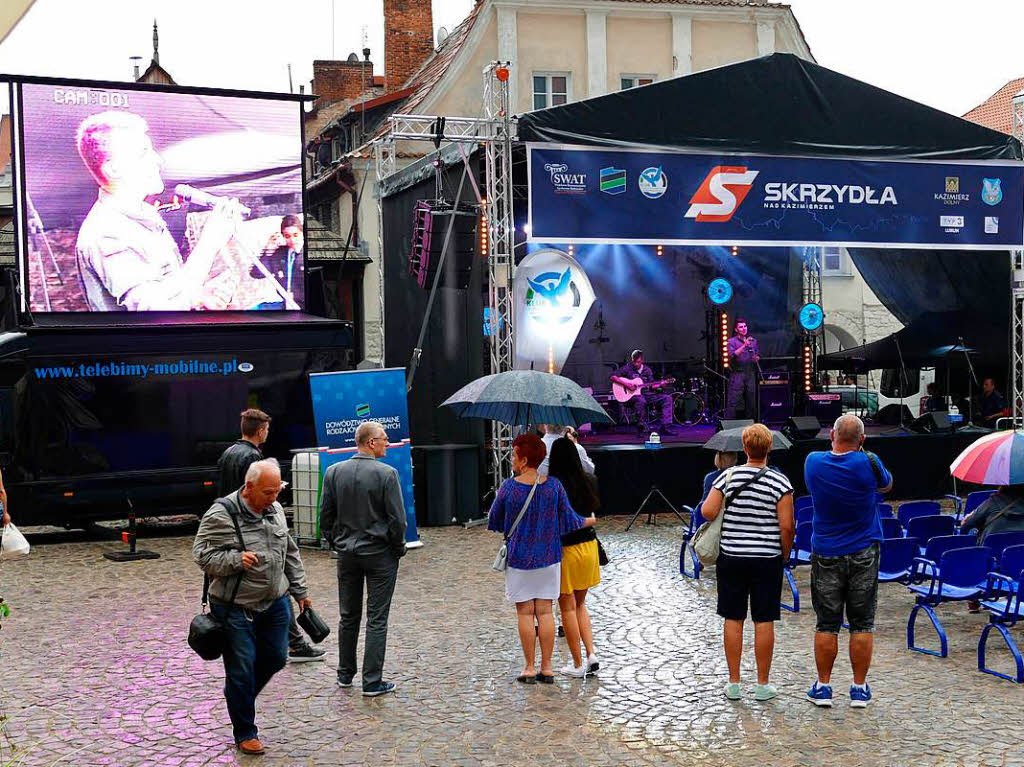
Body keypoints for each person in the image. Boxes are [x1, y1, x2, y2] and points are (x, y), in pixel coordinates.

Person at [193, 458, 311, 756]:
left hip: (274, 602)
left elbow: (290, 552)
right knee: (242, 669)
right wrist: (235, 560)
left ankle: (238, 695)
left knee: (275, 658)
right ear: (249, 487)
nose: (275, 498)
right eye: (268, 492)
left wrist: (300, 591)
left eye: (277, 491)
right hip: (235, 607)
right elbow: (202, 555)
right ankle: (245, 731)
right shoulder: (222, 514)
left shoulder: (275, 511)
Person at [74, 110, 244, 311]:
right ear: (114, 169)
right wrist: (209, 243)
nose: (157, 160)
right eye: (143, 152)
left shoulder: (144, 215)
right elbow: (159, 312)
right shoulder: (106, 234)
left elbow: (168, 288)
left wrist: (198, 296)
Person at [216, 408, 325, 664]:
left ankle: (281, 642)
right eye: (267, 429)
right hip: (254, 529)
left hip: (235, 529)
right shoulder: (253, 456)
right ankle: (295, 644)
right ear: (261, 430)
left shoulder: (228, 453)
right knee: (276, 588)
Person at [488, 433, 596, 684]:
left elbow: (494, 520)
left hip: (519, 559)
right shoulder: (554, 486)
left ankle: (528, 667)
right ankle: (547, 668)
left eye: (514, 455)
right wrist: (589, 521)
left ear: (524, 460)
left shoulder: (508, 487)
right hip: (549, 558)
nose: (512, 460)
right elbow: (570, 521)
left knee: (525, 613)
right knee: (546, 612)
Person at [803, 414, 892, 709]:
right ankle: (858, 688)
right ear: (862, 440)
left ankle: (824, 686)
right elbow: (886, 486)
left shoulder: (813, 462)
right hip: (864, 550)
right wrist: (865, 452)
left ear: (831, 434)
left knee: (827, 623)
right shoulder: (870, 461)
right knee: (862, 622)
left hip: (826, 550)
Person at [700, 424, 794, 702]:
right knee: (764, 619)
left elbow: (707, 511)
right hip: (767, 559)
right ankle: (762, 684)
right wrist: (784, 555)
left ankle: (734, 682)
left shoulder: (727, 476)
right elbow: (787, 526)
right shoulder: (781, 482)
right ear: (770, 449)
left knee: (733, 618)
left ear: (744, 449)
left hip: (732, 557)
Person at [319, 421, 407, 697]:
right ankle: (371, 681)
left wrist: (338, 543)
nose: (387, 443)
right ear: (371, 442)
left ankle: (345, 674)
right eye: (384, 439)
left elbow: (325, 517)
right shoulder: (387, 474)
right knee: (376, 618)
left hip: (347, 553)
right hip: (379, 553)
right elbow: (397, 520)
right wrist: (397, 547)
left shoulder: (333, 472)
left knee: (348, 616)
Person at [547, 437, 602, 678]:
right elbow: (593, 513)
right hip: (589, 547)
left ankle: (578, 663)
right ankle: (591, 654)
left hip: (566, 550)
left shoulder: (552, 486)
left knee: (566, 608)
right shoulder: (589, 480)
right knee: (581, 605)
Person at [609, 350, 674, 433]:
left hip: (647, 394)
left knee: (667, 398)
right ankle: (641, 426)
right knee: (640, 400)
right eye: (634, 362)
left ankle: (665, 426)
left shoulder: (647, 370)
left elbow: (651, 385)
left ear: (642, 361)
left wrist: (660, 384)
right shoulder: (628, 368)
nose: (636, 364)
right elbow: (612, 377)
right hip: (632, 397)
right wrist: (627, 385)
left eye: (638, 362)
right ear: (632, 360)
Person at [252, 214, 304, 309]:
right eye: (287, 236)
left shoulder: (309, 254)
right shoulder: (280, 253)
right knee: (253, 311)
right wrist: (268, 251)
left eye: (295, 235)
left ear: (302, 232)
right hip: (284, 304)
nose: (292, 240)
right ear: (283, 236)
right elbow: (257, 274)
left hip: (302, 306)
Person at [724, 318, 760, 419]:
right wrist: (744, 345)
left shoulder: (753, 341)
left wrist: (756, 358)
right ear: (736, 329)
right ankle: (730, 425)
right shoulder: (731, 341)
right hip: (737, 374)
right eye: (741, 327)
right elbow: (732, 355)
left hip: (750, 373)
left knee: (751, 401)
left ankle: (751, 425)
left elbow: (757, 355)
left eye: (745, 326)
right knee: (733, 402)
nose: (744, 329)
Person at [697, 451, 740, 517]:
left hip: (713, 518)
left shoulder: (710, 477)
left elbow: (705, 501)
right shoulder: (739, 476)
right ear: (735, 459)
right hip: (734, 516)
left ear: (717, 459)